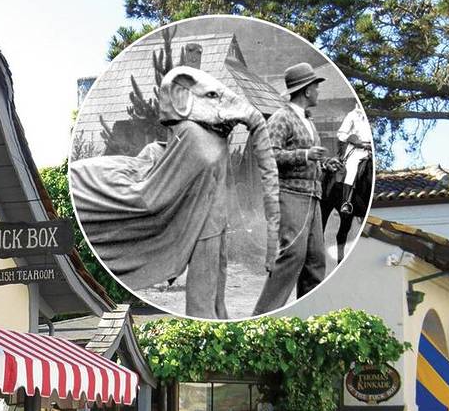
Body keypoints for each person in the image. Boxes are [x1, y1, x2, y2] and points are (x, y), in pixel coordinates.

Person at [71, 66, 278, 319]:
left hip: (214, 222)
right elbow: (160, 194)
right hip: (205, 226)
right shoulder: (194, 136)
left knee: (216, 299)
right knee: (204, 301)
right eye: (212, 97)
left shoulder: (206, 135)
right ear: (182, 97)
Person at [252, 62, 328, 315]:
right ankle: (263, 315)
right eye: (316, 86)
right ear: (307, 90)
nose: (318, 90)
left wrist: (324, 164)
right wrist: (305, 154)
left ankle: (307, 315)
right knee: (293, 254)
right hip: (291, 195)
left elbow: (307, 158)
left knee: (316, 260)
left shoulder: (308, 121)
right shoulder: (281, 118)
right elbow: (269, 155)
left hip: (313, 197)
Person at [336, 106, 372, 214]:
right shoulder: (352, 115)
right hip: (357, 150)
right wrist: (352, 138)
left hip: (371, 149)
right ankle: (346, 202)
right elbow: (341, 134)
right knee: (352, 170)